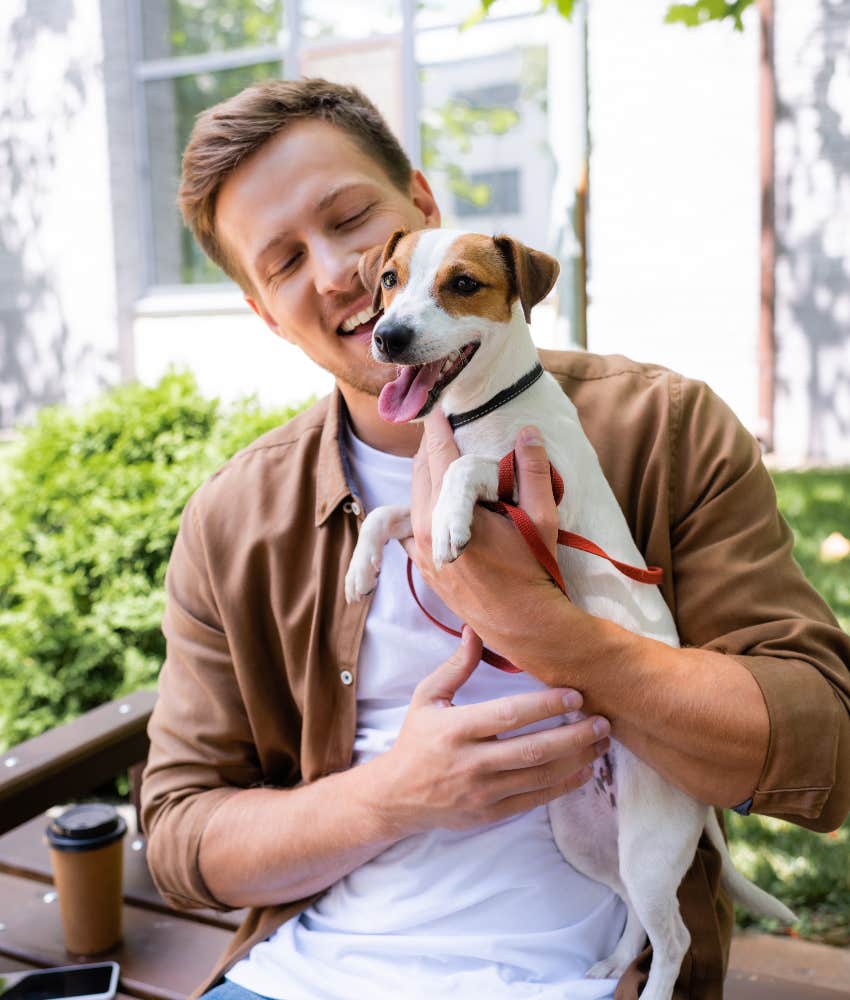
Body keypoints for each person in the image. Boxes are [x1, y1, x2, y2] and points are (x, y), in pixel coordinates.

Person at [140, 78, 850, 1000]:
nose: (334, 272)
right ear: (265, 314)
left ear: (425, 211)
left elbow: (822, 743)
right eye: (281, 264)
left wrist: (542, 626)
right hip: (306, 975)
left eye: (349, 216)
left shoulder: (665, 430)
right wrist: (393, 795)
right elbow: (184, 838)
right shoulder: (234, 520)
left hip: (578, 975)